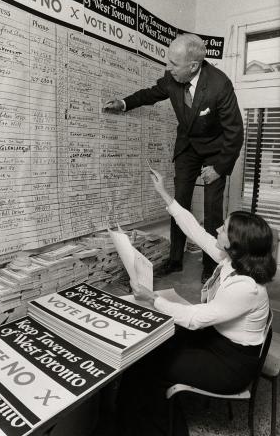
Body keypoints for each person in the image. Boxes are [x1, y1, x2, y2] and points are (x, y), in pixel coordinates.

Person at [113, 168, 276, 436]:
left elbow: (194, 319)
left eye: (223, 229)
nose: (217, 229)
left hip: (231, 364)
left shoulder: (246, 287)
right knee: (151, 349)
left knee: (151, 367)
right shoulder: (234, 260)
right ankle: (129, 419)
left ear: (235, 243)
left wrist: (152, 298)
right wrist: (164, 193)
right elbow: (194, 230)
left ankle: (152, 428)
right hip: (217, 339)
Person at [103, 33, 244, 282]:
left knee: (212, 211)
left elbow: (235, 133)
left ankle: (211, 266)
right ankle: (175, 260)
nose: (168, 68)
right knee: (178, 203)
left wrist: (219, 169)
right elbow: (151, 93)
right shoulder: (172, 78)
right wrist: (124, 103)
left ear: (193, 66)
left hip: (216, 150)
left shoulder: (219, 85)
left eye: (174, 64)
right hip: (188, 147)